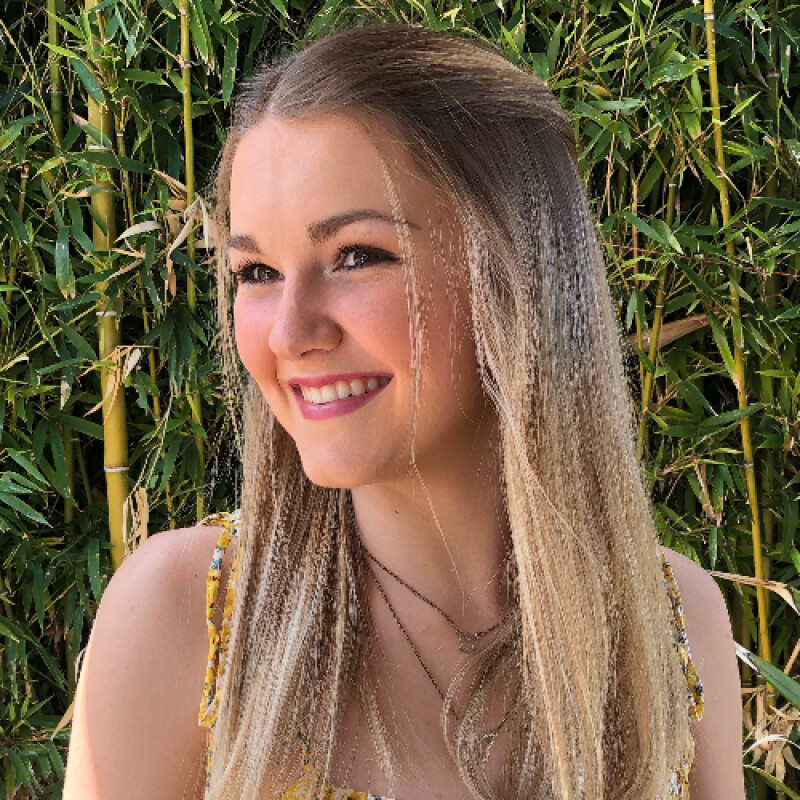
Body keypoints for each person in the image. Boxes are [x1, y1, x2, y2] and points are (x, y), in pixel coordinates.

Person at [63, 22, 745, 800]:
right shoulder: (185, 615)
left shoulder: (671, 619)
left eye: (357, 256)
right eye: (256, 271)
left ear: (518, 271)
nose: (289, 333)